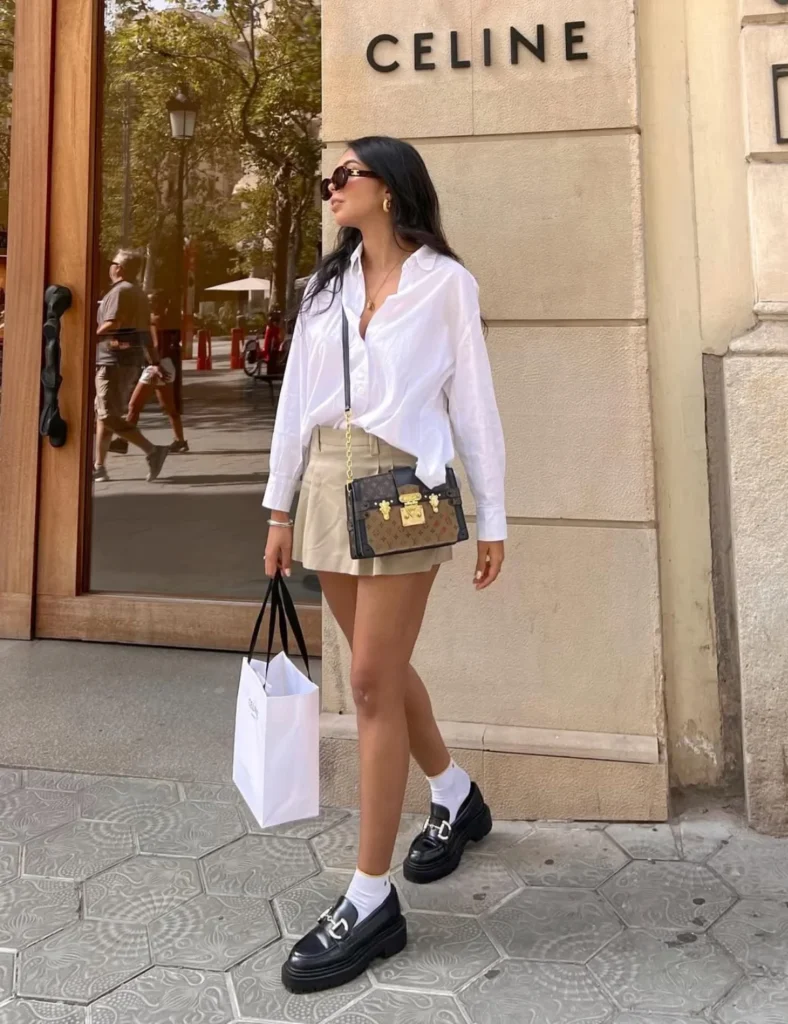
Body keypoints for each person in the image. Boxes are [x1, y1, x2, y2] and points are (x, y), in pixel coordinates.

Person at [263, 136, 506, 994]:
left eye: (344, 176)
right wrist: (279, 504)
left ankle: (371, 901)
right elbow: (296, 395)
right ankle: (456, 794)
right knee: (383, 670)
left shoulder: (446, 282)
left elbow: (471, 401)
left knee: (367, 678)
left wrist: (493, 515)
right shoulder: (322, 287)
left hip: (404, 485)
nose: (330, 188)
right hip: (328, 477)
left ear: (390, 189)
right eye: (328, 179)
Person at [93, 250, 169, 482]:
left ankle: (152, 450)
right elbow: (145, 332)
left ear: (120, 268)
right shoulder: (138, 293)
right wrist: (154, 361)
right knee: (107, 412)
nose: (110, 266)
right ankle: (99, 466)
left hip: (111, 360)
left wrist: (88, 336)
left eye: (113, 263)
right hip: (128, 361)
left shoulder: (120, 291)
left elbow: (112, 323)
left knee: (106, 413)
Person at [122, 291, 189, 452]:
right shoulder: (167, 320)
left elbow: (153, 344)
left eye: (151, 302)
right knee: (169, 408)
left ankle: (122, 441)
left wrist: (153, 363)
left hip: (156, 366)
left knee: (134, 406)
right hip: (166, 364)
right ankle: (180, 440)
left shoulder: (153, 320)